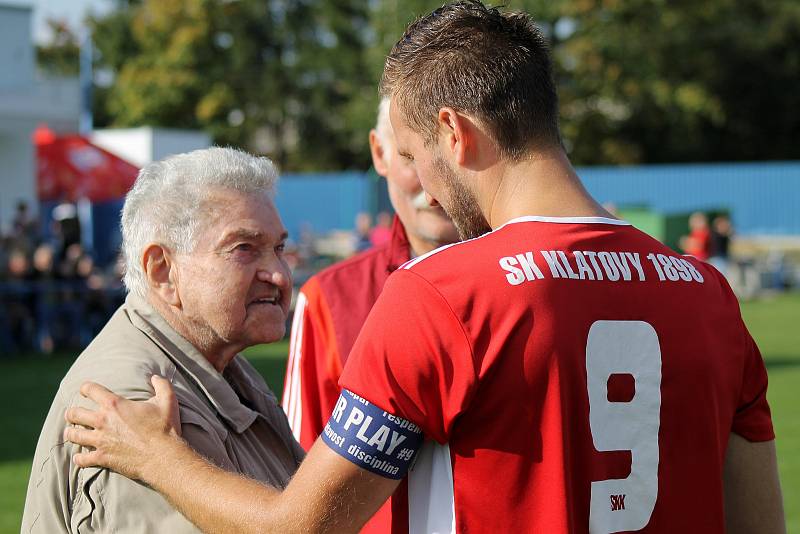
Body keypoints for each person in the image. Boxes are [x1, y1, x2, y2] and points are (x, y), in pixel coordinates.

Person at [64, 2, 785, 533]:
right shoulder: (710, 293)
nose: (420, 187)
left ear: (454, 134)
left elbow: (300, 527)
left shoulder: (440, 295)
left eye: (411, 159)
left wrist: (157, 456)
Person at [23, 147, 304, 533]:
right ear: (161, 270)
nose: (279, 275)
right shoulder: (133, 407)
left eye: (278, 248)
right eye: (244, 249)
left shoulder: (225, 368)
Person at [282, 96, 458, 532]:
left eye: (446, 156)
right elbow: (294, 472)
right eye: (410, 156)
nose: (431, 182)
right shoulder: (329, 297)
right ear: (379, 152)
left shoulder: (532, 283)